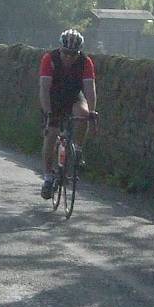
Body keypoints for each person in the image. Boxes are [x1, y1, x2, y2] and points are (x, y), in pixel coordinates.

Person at [39, 29, 98, 199]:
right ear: (60, 49)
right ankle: (48, 178)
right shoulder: (49, 59)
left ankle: (77, 150)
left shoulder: (85, 62)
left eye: (73, 54)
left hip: (73, 96)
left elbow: (90, 90)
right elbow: (44, 89)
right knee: (51, 134)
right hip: (54, 98)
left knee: (84, 114)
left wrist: (92, 111)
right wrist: (48, 113)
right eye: (66, 53)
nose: (69, 57)